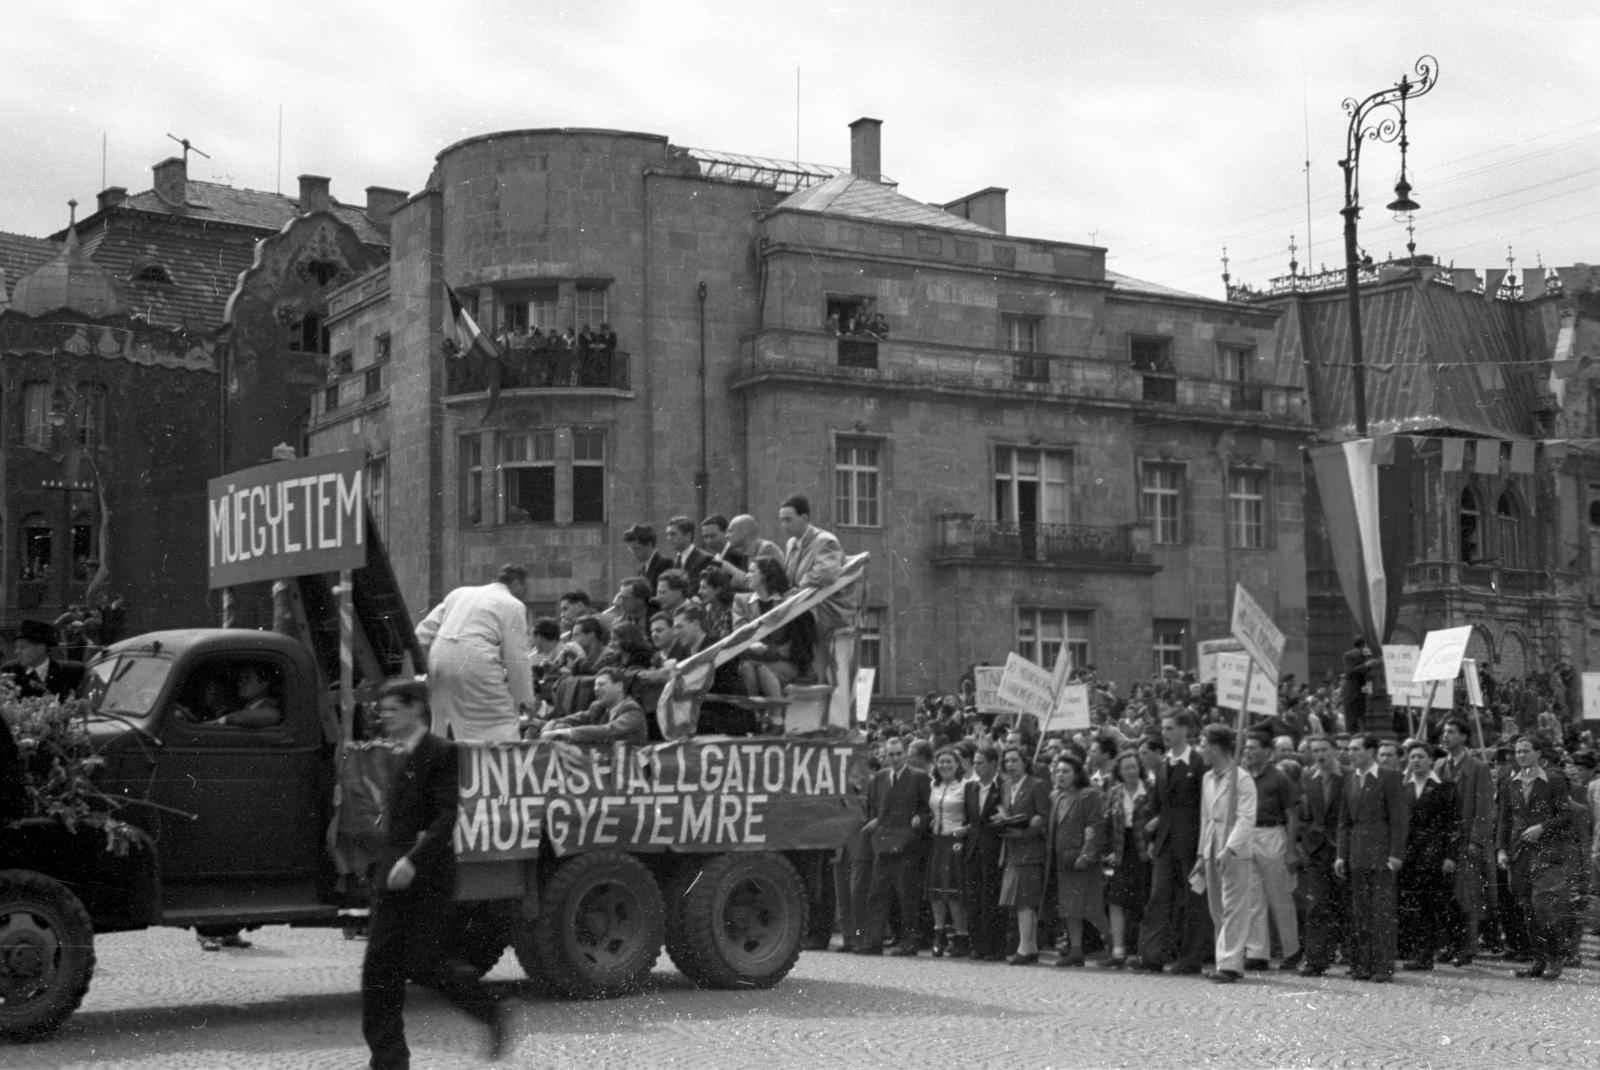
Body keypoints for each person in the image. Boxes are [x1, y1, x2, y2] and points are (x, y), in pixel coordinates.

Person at [361, 680, 508, 1069]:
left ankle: (490, 1010)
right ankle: (389, 1061)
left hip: (426, 878)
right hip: (391, 878)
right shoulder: (397, 754)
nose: (384, 715)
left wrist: (412, 861)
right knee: (378, 973)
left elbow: (447, 816)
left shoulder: (441, 753)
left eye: (392, 708)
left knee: (426, 964)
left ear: (415, 710)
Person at [414, 565, 535, 743]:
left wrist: (423, 666)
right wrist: (525, 700)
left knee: (443, 720)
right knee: (501, 721)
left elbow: (422, 633)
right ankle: (502, 764)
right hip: (476, 659)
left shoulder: (459, 593)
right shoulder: (514, 605)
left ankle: (445, 761)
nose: (526, 595)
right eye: (526, 589)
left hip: (439, 656)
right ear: (517, 584)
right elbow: (516, 657)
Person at [1133, 712, 1211, 975]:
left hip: (1191, 842)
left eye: (1170, 727)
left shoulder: (1199, 763)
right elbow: (1158, 803)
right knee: (1159, 898)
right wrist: (1155, 828)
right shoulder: (1164, 764)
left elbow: (1205, 807)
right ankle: (1152, 954)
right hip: (1166, 843)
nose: (1164, 733)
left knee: (1192, 900)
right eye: (1163, 727)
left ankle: (1191, 959)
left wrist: (1203, 846)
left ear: (1185, 730)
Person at [1335, 734, 1408, 983]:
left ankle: (1383, 966)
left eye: (1355, 749)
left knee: (1382, 913)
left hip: (1382, 854)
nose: (1350, 753)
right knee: (1360, 913)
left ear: (1370, 752)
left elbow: (1399, 819)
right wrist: (1340, 855)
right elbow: (1344, 822)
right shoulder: (1350, 780)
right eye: (1348, 749)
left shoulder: (1388, 778)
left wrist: (1396, 854)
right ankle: (1361, 965)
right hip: (1357, 854)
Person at [1498, 734, 1572, 980]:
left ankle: (1555, 958)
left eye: (1526, 751)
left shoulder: (1553, 781)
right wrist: (1501, 849)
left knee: (1544, 906)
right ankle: (1538, 960)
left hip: (1546, 853)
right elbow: (1505, 819)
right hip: (1520, 853)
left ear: (1538, 753)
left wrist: (1542, 827)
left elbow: (1565, 816)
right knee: (1528, 908)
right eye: (1518, 752)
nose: (1520, 755)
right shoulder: (1511, 782)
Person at [858, 736, 931, 957]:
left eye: (899, 753)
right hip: (883, 841)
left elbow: (928, 809)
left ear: (905, 754)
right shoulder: (880, 778)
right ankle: (873, 941)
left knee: (906, 895)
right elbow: (874, 807)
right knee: (877, 893)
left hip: (906, 844)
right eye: (891, 754)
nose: (895, 758)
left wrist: (919, 819)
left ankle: (909, 942)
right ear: (885, 756)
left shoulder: (918, 777)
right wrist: (876, 823)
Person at [1198, 724, 1257, 984]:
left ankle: (1229, 963)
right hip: (1212, 846)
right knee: (1217, 908)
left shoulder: (1242, 779)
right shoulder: (1207, 778)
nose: (1200, 749)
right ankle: (1228, 959)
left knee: (1234, 907)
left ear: (1216, 747)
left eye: (1203, 744)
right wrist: (1202, 852)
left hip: (1234, 851)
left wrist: (1229, 848)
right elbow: (1205, 818)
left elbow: (1246, 819)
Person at [1436, 716, 1497, 966]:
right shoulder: (1439, 765)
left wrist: (1475, 840)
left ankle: (1468, 947)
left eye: (1451, 731)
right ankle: (1449, 944)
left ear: (1463, 737)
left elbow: (1484, 808)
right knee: (1445, 896)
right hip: (1443, 842)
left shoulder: (1478, 767)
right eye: (1443, 732)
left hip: (1466, 842)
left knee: (1467, 896)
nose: (1445, 735)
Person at [779, 495, 857, 683]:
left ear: (805, 518)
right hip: (804, 604)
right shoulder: (791, 543)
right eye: (781, 520)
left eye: (788, 519)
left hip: (825, 608)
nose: (784, 525)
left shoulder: (826, 541)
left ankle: (803, 670)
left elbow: (826, 573)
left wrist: (799, 589)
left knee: (798, 617)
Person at [1398, 741, 1460, 971]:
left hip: (1436, 855)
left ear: (1430, 760)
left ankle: (1444, 948)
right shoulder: (1404, 787)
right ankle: (1421, 953)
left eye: (1420, 756)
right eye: (1412, 757)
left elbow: (1454, 823)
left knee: (1435, 905)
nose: (1415, 761)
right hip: (1410, 855)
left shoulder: (1444, 786)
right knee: (1415, 905)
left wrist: (1451, 855)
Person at [1241, 731, 1300, 970]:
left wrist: (1290, 849)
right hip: (1248, 834)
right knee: (1253, 897)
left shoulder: (1279, 777)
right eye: (1247, 748)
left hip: (1272, 834)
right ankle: (1257, 952)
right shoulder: (1245, 777)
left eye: (1254, 748)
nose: (1248, 752)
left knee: (1280, 896)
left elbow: (1292, 814)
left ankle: (1291, 950)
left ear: (1267, 751)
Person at [1046, 753, 1107, 967]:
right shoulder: (1056, 796)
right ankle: (1076, 950)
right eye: (1058, 771)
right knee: (1068, 908)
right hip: (1063, 861)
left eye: (1065, 771)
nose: (1060, 775)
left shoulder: (1087, 795)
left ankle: (1114, 946)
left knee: (1090, 907)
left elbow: (1095, 826)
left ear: (1076, 774)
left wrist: (1086, 854)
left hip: (1083, 860)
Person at [995, 744, 1052, 965]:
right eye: (1007, 761)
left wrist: (1025, 832)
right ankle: (1031, 946)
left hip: (1030, 848)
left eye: (1014, 760)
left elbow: (1044, 818)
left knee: (1024, 900)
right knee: (1019, 900)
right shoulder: (1007, 786)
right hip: (1013, 848)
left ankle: (1024, 947)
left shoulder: (1036, 785)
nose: (1010, 765)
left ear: (1025, 762)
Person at [1295, 735, 1346, 977]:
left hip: (1343, 849)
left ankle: (1352, 956)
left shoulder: (1347, 776)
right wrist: (1305, 841)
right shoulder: (1308, 778)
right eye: (1315, 750)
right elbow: (1303, 813)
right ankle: (1315, 960)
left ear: (1335, 751)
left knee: (1346, 903)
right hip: (1317, 848)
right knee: (1316, 904)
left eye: (1324, 750)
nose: (1320, 755)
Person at [736, 558, 814, 699]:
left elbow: (800, 633)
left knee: (763, 670)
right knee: (747, 667)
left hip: (781, 659)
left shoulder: (788, 600)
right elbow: (739, 631)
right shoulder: (741, 600)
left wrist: (777, 651)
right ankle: (755, 716)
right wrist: (752, 644)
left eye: (752, 571)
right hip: (752, 657)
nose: (747, 576)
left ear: (765, 575)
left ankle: (775, 718)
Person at [1101, 750, 1152, 968]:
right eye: (1126, 768)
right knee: (1115, 900)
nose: (1131, 771)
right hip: (1122, 850)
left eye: (1134, 766)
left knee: (1144, 901)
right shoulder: (1114, 793)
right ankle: (1118, 950)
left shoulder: (1149, 789)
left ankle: (1143, 951)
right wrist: (1108, 850)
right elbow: (1106, 824)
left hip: (1144, 850)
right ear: (1119, 772)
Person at [964, 743, 1009, 961]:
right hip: (973, 850)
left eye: (980, 763)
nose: (976, 767)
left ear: (993, 764)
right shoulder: (970, 788)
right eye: (974, 763)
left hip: (995, 849)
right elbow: (969, 820)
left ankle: (995, 946)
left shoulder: (1003, 787)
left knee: (991, 899)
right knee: (974, 899)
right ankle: (977, 945)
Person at [925, 746, 971, 957]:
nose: (945, 765)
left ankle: (961, 937)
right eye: (941, 762)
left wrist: (965, 830)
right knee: (936, 892)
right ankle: (939, 934)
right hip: (937, 840)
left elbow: (974, 816)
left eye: (949, 762)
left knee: (953, 892)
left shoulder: (966, 786)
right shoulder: (933, 785)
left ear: (957, 765)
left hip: (955, 841)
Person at [540, 668, 647, 746]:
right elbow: (562, 720)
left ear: (618, 686)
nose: (595, 689)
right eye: (595, 685)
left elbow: (605, 731)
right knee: (561, 726)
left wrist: (560, 733)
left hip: (631, 770)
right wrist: (550, 726)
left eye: (601, 684)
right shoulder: (597, 707)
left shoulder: (633, 710)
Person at [1, 618, 86, 701]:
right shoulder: (9, 671)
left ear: (41, 648)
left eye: (22, 647)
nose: (16, 652)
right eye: (16, 647)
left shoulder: (71, 672)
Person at [716, 514, 785, 591]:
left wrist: (732, 570)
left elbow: (765, 585)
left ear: (743, 533)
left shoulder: (767, 549)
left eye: (730, 531)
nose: (726, 536)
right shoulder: (744, 553)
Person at [664, 515, 714, 585]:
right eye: (668, 534)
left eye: (673, 534)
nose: (669, 538)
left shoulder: (704, 559)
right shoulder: (676, 562)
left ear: (688, 536)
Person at [622, 523, 671, 591]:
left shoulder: (664, 564)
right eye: (631, 549)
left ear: (649, 545)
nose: (633, 553)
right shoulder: (641, 570)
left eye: (636, 549)